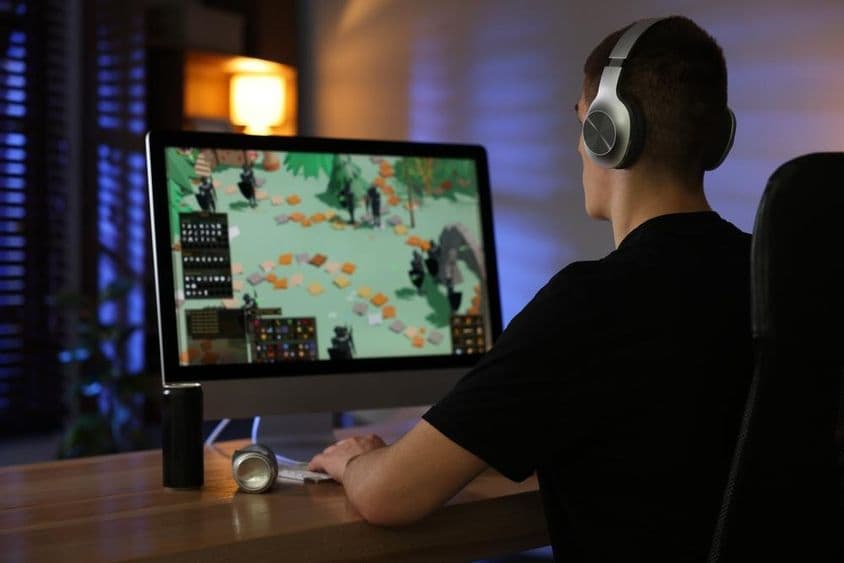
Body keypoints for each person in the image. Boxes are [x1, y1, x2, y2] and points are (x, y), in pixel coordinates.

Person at [308, 16, 752, 563]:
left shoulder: (590, 303)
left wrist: (354, 459)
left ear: (605, 132)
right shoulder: (776, 277)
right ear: (717, 137)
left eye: (581, 122)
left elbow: (389, 496)